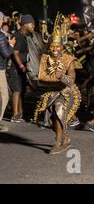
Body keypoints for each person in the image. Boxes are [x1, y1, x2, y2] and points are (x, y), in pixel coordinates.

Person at [33, 24, 82, 154]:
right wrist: (52, 78)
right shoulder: (45, 58)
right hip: (51, 92)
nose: (55, 49)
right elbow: (42, 78)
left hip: (67, 92)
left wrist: (63, 77)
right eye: (52, 46)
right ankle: (65, 138)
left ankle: (58, 142)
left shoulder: (69, 59)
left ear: (62, 47)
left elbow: (71, 81)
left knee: (59, 108)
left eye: (57, 46)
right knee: (51, 120)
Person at [9, 14, 35, 122]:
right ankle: (14, 115)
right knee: (17, 90)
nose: (33, 25)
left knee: (22, 91)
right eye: (31, 24)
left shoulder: (25, 35)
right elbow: (15, 53)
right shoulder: (18, 36)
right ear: (24, 24)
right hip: (15, 68)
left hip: (21, 68)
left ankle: (20, 113)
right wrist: (21, 66)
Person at [0, 13, 16, 132]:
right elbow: (5, 54)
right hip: (0, 69)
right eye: (2, 19)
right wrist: (11, 44)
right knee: (4, 96)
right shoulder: (0, 36)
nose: (3, 21)